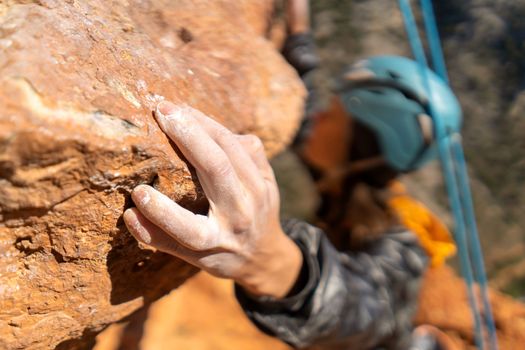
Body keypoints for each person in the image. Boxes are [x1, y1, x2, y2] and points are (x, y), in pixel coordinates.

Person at [123, 56, 459, 349]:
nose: (317, 116)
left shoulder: (405, 242)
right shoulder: (340, 176)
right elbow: (305, 108)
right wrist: (298, 35)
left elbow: (365, 310)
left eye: (333, 113)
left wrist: (268, 260)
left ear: (358, 142)